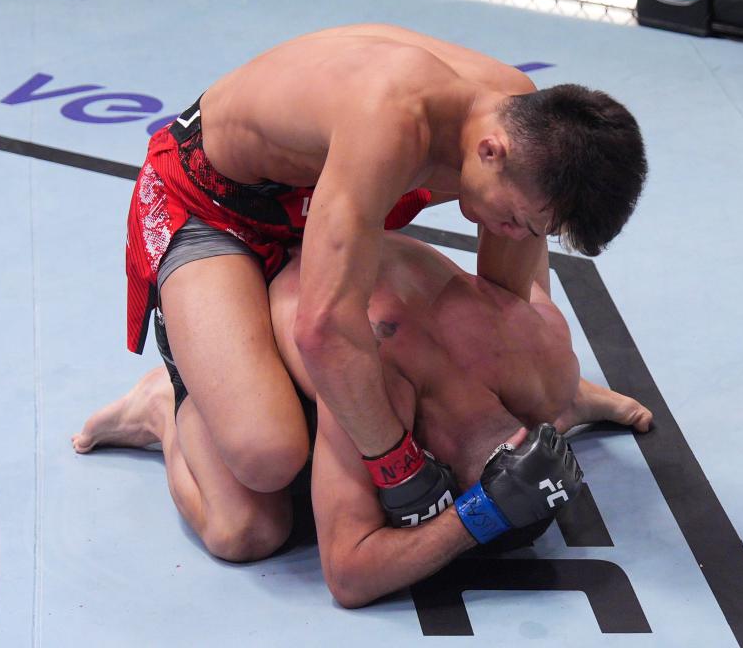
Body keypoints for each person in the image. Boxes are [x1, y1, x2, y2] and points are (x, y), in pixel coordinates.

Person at [122, 23, 648, 520]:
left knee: (530, 388)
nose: (515, 234)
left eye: (535, 229)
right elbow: (324, 327)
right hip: (207, 206)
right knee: (261, 478)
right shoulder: (391, 124)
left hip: (323, 202)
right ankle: (165, 405)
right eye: (513, 219)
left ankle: (240, 361)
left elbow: (502, 304)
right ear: (491, 152)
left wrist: (544, 390)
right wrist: (400, 469)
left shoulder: (517, 117)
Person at [77, 232, 653, 605]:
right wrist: (479, 518)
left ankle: (576, 399)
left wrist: (560, 409)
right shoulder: (372, 390)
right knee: (246, 530)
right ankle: (167, 408)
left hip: (314, 247)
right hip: (217, 286)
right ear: (453, 487)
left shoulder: (538, 360)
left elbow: (527, 236)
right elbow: (348, 576)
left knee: (548, 393)